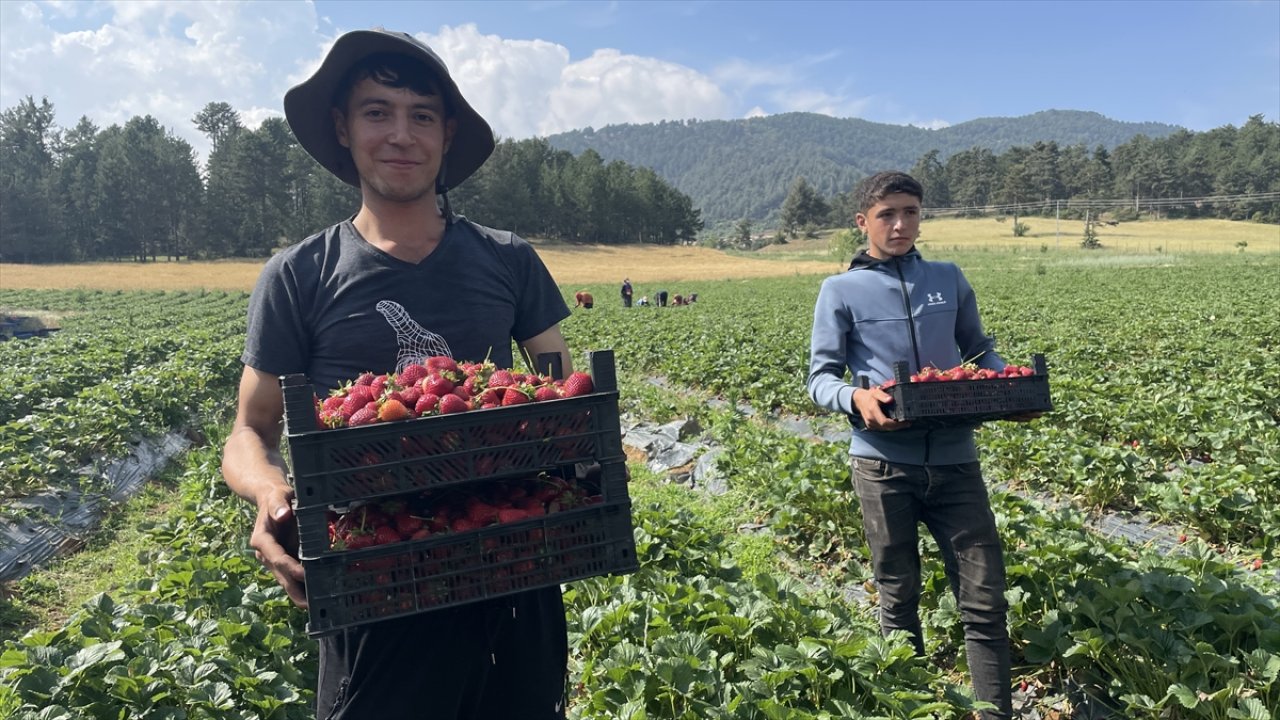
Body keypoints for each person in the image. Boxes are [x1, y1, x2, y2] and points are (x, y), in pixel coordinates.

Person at [221, 29, 572, 719]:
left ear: (446, 135)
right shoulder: (298, 275)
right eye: (377, 111)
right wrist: (269, 495)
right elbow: (249, 431)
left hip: (508, 563)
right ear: (343, 129)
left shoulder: (509, 261)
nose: (400, 134)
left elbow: (557, 394)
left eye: (421, 115)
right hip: (374, 579)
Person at [806, 171, 1035, 719]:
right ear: (863, 222)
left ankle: (993, 713)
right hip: (883, 466)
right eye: (887, 214)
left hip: (957, 461)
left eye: (910, 212)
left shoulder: (947, 279)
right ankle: (911, 705)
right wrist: (855, 400)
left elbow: (981, 350)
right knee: (898, 592)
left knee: (984, 599)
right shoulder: (840, 290)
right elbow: (819, 377)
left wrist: (1007, 385)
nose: (901, 224)